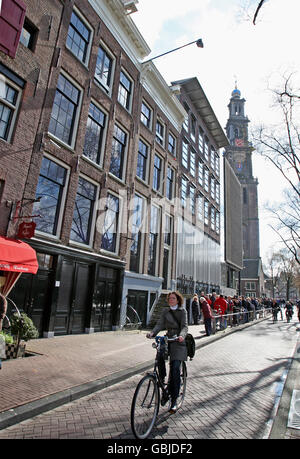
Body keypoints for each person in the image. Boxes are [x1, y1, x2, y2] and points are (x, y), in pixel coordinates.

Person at [146, 291, 188, 413]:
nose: (171, 300)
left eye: (173, 298)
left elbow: (185, 326)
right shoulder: (165, 311)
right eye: (169, 298)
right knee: (159, 357)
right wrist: (153, 333)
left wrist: (181, 336)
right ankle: (163, 380)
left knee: (175, 369)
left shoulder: (182, 311)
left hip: (178, 341)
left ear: (178, 300)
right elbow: (160, 324)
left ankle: (174, 400)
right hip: (168, 339)